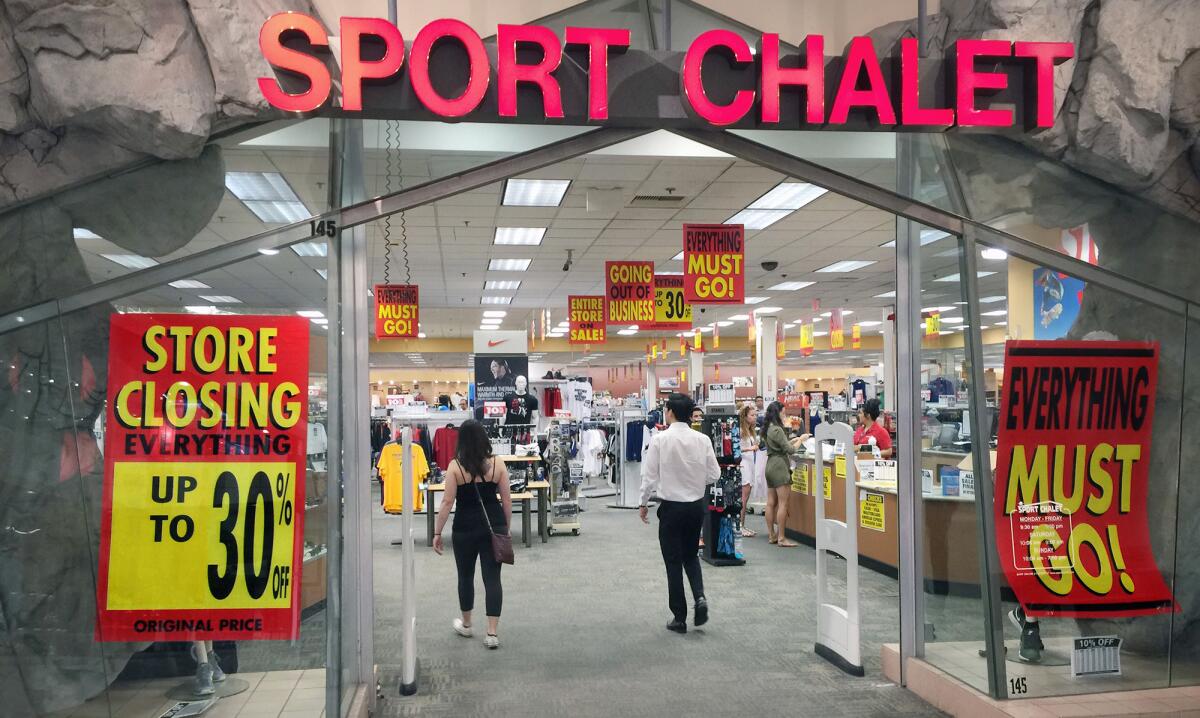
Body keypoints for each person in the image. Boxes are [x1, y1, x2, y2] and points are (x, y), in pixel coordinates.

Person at [639, 393, 720, 634]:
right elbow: (714, 474)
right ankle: (700, 597)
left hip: (671, 508)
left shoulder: (660, 440)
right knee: (691, 555)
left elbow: (649, 476)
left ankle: (679, 617)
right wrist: (695, 481)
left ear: (671, 412)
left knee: (673, 562)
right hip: (696, 507)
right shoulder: (703, 439)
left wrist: (643, 503)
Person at [431, 419, 513, 649]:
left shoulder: (455, 467)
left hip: (464, 528)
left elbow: (447, 502)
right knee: (492, 578)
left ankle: (467, 625)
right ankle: (492, 633)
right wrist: (505, 527)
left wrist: (437, 532)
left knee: (465, 576)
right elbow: (507, 500)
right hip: (492, 526)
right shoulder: (498, 464)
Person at [762, 401, 800, 547]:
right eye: (783, 412)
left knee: (771, 502)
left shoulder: (768, 429)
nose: (785, 415)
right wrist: (800, 440)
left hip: (770, 465)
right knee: (783, 503)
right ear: (778, 413)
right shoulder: (777, 429)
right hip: (779, 466)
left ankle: (772, 535)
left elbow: (781, 444)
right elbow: (790, 450)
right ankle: (782, 538)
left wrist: (792, 440)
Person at [737, 403, 758, 538]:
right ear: (745, 417)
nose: (755, 417)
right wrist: (750, 449)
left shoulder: (750, 431)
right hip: (744, 464)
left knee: (746, 497)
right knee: (743, 499)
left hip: (750, 464)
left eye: (755, 415)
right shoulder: (740, 431)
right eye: (752, 415)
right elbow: (736, 449)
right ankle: (739, 526)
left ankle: (742, 525)